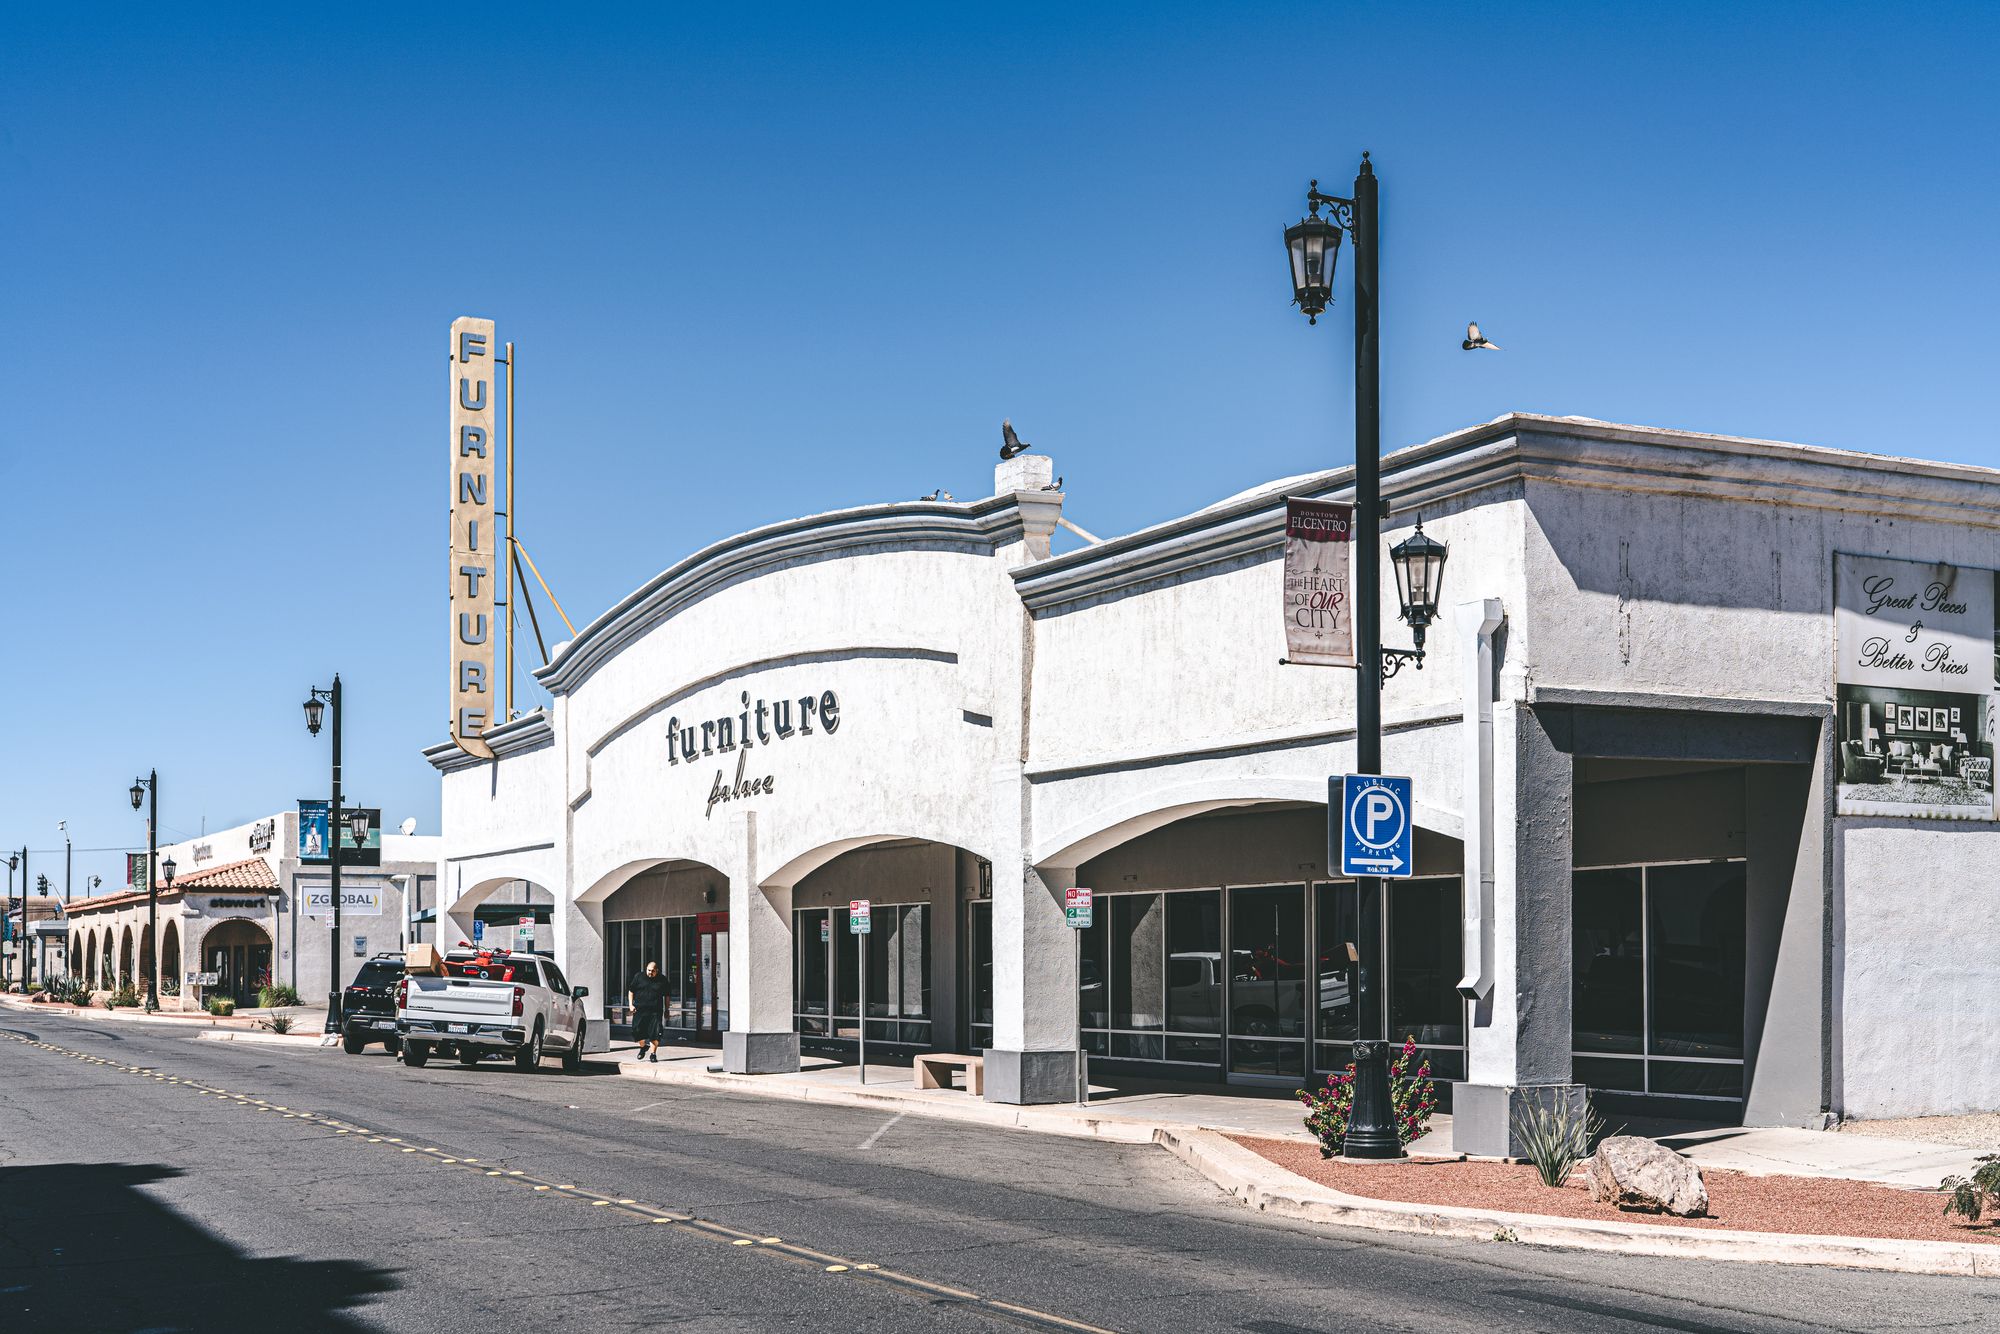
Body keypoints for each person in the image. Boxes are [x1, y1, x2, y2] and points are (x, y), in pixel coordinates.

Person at [627, 960, 668, 1063]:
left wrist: (667, 1009)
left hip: (655, 1011)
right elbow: (631, 991)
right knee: (636, 1031)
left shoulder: (662, 980)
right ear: (646, 969)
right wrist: (630, 1005)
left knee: (655, 1033)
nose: (650, 973)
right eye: (649, 970)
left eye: (653, 971)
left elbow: (667, 996)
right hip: (639, 1010)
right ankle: (643, 1047)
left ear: (657, 971)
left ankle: (653, 1054)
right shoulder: (639, 977)